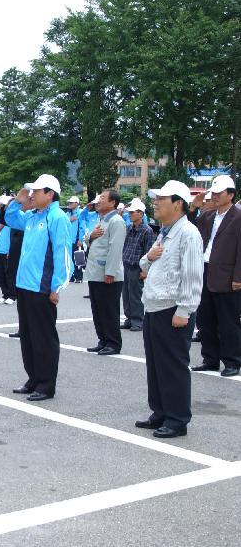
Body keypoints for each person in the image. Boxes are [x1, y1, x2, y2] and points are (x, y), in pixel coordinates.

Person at [135, 180, 203, 438]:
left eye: (161, 199)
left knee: (173, 364)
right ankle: (160, 411)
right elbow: (146, 265)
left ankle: (177, 419)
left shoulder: (188, 233)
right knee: (155, 363)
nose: (155, 203)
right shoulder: (164, 231)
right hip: (154, 306)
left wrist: (184, 311)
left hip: (173, 308)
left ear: (178, 203)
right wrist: (148, 258)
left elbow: (194, 276)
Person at [3, 174, 71, 400]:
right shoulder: (32, 216)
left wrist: (56, 287)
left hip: (42, 287)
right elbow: (11, 219)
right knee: (28, 337)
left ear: (50, 194)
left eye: (36, 191)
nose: (32, 195)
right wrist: (18, 200)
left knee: (44, 339)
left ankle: (46, 384)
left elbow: (63, 254)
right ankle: (33, 378)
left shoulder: (57, 217)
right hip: (24, 285)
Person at [188, 175, 241, 377]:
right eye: (214, 193)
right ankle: (210, 359)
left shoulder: (238, 216)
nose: (215, 197)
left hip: (228, 275)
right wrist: (193, 207)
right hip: (205, 270)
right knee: (206, 319)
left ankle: (232, 361)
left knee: (228, 321)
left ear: (231, 194)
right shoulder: (209, 216)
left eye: (220, 193)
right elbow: (190, 226)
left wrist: (238, 276)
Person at [83, 189, 127, 356]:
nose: (98, 201)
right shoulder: (101, 220)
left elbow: (115, 249)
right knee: (98, 309)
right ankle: (103, 340)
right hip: (95, 272)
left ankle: (113, 343)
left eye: (102, 198)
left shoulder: (116, 221)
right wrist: (91, 236)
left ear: (112, 203)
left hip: (107, 275)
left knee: (109, 310)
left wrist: (110, 272)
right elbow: (88, 238)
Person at [119, 198, 155, 332]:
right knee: (127, 294)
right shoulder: (129, 227)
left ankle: (138, 320)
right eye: (130, 212)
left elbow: (148, 251)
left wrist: (145, 270)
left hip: (137, 266)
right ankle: (129, 318)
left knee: (136, 295)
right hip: (127, 264)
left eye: (133, 212)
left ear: (141, 213)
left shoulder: (147, 230)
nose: (130, 214)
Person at [0, 195, 14, 304]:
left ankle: (12, 295)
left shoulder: (12, 218)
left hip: (7, 249)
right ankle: (5, 294)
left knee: (8, 273)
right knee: (0, 273)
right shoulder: (2, 216)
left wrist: (11, 249)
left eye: (0, 203)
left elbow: (15, 236)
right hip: (0, 248)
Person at [68, 196, 84, 283]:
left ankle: (79, 276)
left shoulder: (80, 213)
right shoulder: (68, 214)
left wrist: (80, 239)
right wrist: (69, 220)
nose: (69, 204)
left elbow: (82, 227)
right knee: (69, 258)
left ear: (76, 203)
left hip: (76, 239)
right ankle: (71, 276)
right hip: (68, 240)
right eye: (69, 202)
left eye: (71, 202)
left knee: (77, 258)